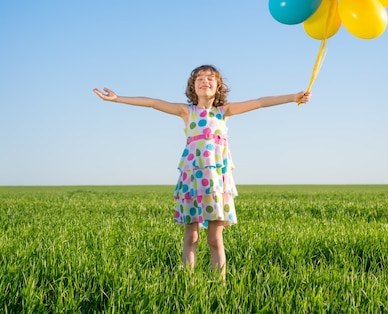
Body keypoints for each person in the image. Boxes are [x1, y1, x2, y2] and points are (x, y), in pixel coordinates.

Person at [93, 64, 311, 279]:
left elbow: (260, 102)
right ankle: (188, 282)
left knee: (215, 240)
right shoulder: (186, 111)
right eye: (199, 79)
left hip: (216, 183)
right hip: (192, 181)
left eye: (210, 78)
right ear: (192, 87)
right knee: (191, 237)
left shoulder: (223, 111)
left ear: (218, 86)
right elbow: (152, 103)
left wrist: (294, 97)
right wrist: (118, 98)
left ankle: (219, 285)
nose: (205, 81)